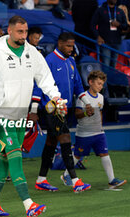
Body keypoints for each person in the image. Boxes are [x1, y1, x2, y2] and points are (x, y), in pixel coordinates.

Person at [0, 15, 65, 217]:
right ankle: (29, 204)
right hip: (1, 115)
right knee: (15, 155)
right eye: (20, 32)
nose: (24, 36)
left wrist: (56, 97)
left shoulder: (31, 52)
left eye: (25, 32)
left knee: (5, 159)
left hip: (20, 114)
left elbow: (44, 77)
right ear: (9, 31)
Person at [32, 32, 92, 193]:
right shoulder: (49, 61)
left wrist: (87, 103)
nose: (71, 49)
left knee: (51, 142)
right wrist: (33, 110)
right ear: (59, 43)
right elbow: (38, 85)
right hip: (51, 109)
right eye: (68, 46)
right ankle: (74, 179)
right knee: (65, 138)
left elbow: (78, 86)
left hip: (66, 108)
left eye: (72, 46)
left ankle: (41, 179)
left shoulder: (71, 61)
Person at [62, 71, 127, 189]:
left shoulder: (101, 98)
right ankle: (66, 175)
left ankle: (112, 180)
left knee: (104, 154)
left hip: (99, 133)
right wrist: (86, 113)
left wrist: (100, 127)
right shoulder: (82, 97)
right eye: (98, 83)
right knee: (77, 156)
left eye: (102, 84)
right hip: (84, 133)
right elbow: (77, 114)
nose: (100, 86)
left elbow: (99, 113)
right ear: (90, 82)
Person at [91, 0, 128, 68]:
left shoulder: (120, 11)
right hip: (105, 42)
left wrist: (119, 24)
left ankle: (111, 78)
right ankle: (106, 78)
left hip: (117, 42)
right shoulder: (100, 10)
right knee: (106, 65)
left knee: (113, 66)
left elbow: (125, 26)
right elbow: (92, 25)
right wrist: (98, 36)